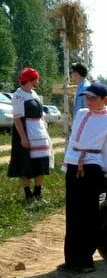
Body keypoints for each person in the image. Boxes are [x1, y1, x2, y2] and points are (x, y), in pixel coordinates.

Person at [59, 83, 107, 273]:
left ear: (105, 100)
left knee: (88, 213)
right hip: (74, 163)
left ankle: (85, 260)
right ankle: (71, 259)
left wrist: (106, 172)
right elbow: (73, 140)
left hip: (93, 166)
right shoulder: (81, 113)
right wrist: (67, 162)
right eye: (87, 97)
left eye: (93, 97)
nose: (89, 101)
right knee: (73, 212)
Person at [7, 67, 52, 202]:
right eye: (36, 78)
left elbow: (41, 114)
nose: (38, 80)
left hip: (38, 132)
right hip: (25, 131)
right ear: (31, 80)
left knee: (41, 160)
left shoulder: (34, 94)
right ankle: (28, 193)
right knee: (24, 161)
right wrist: (23, 137)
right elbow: (17, 118)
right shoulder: (19, 95)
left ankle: (38, 192)